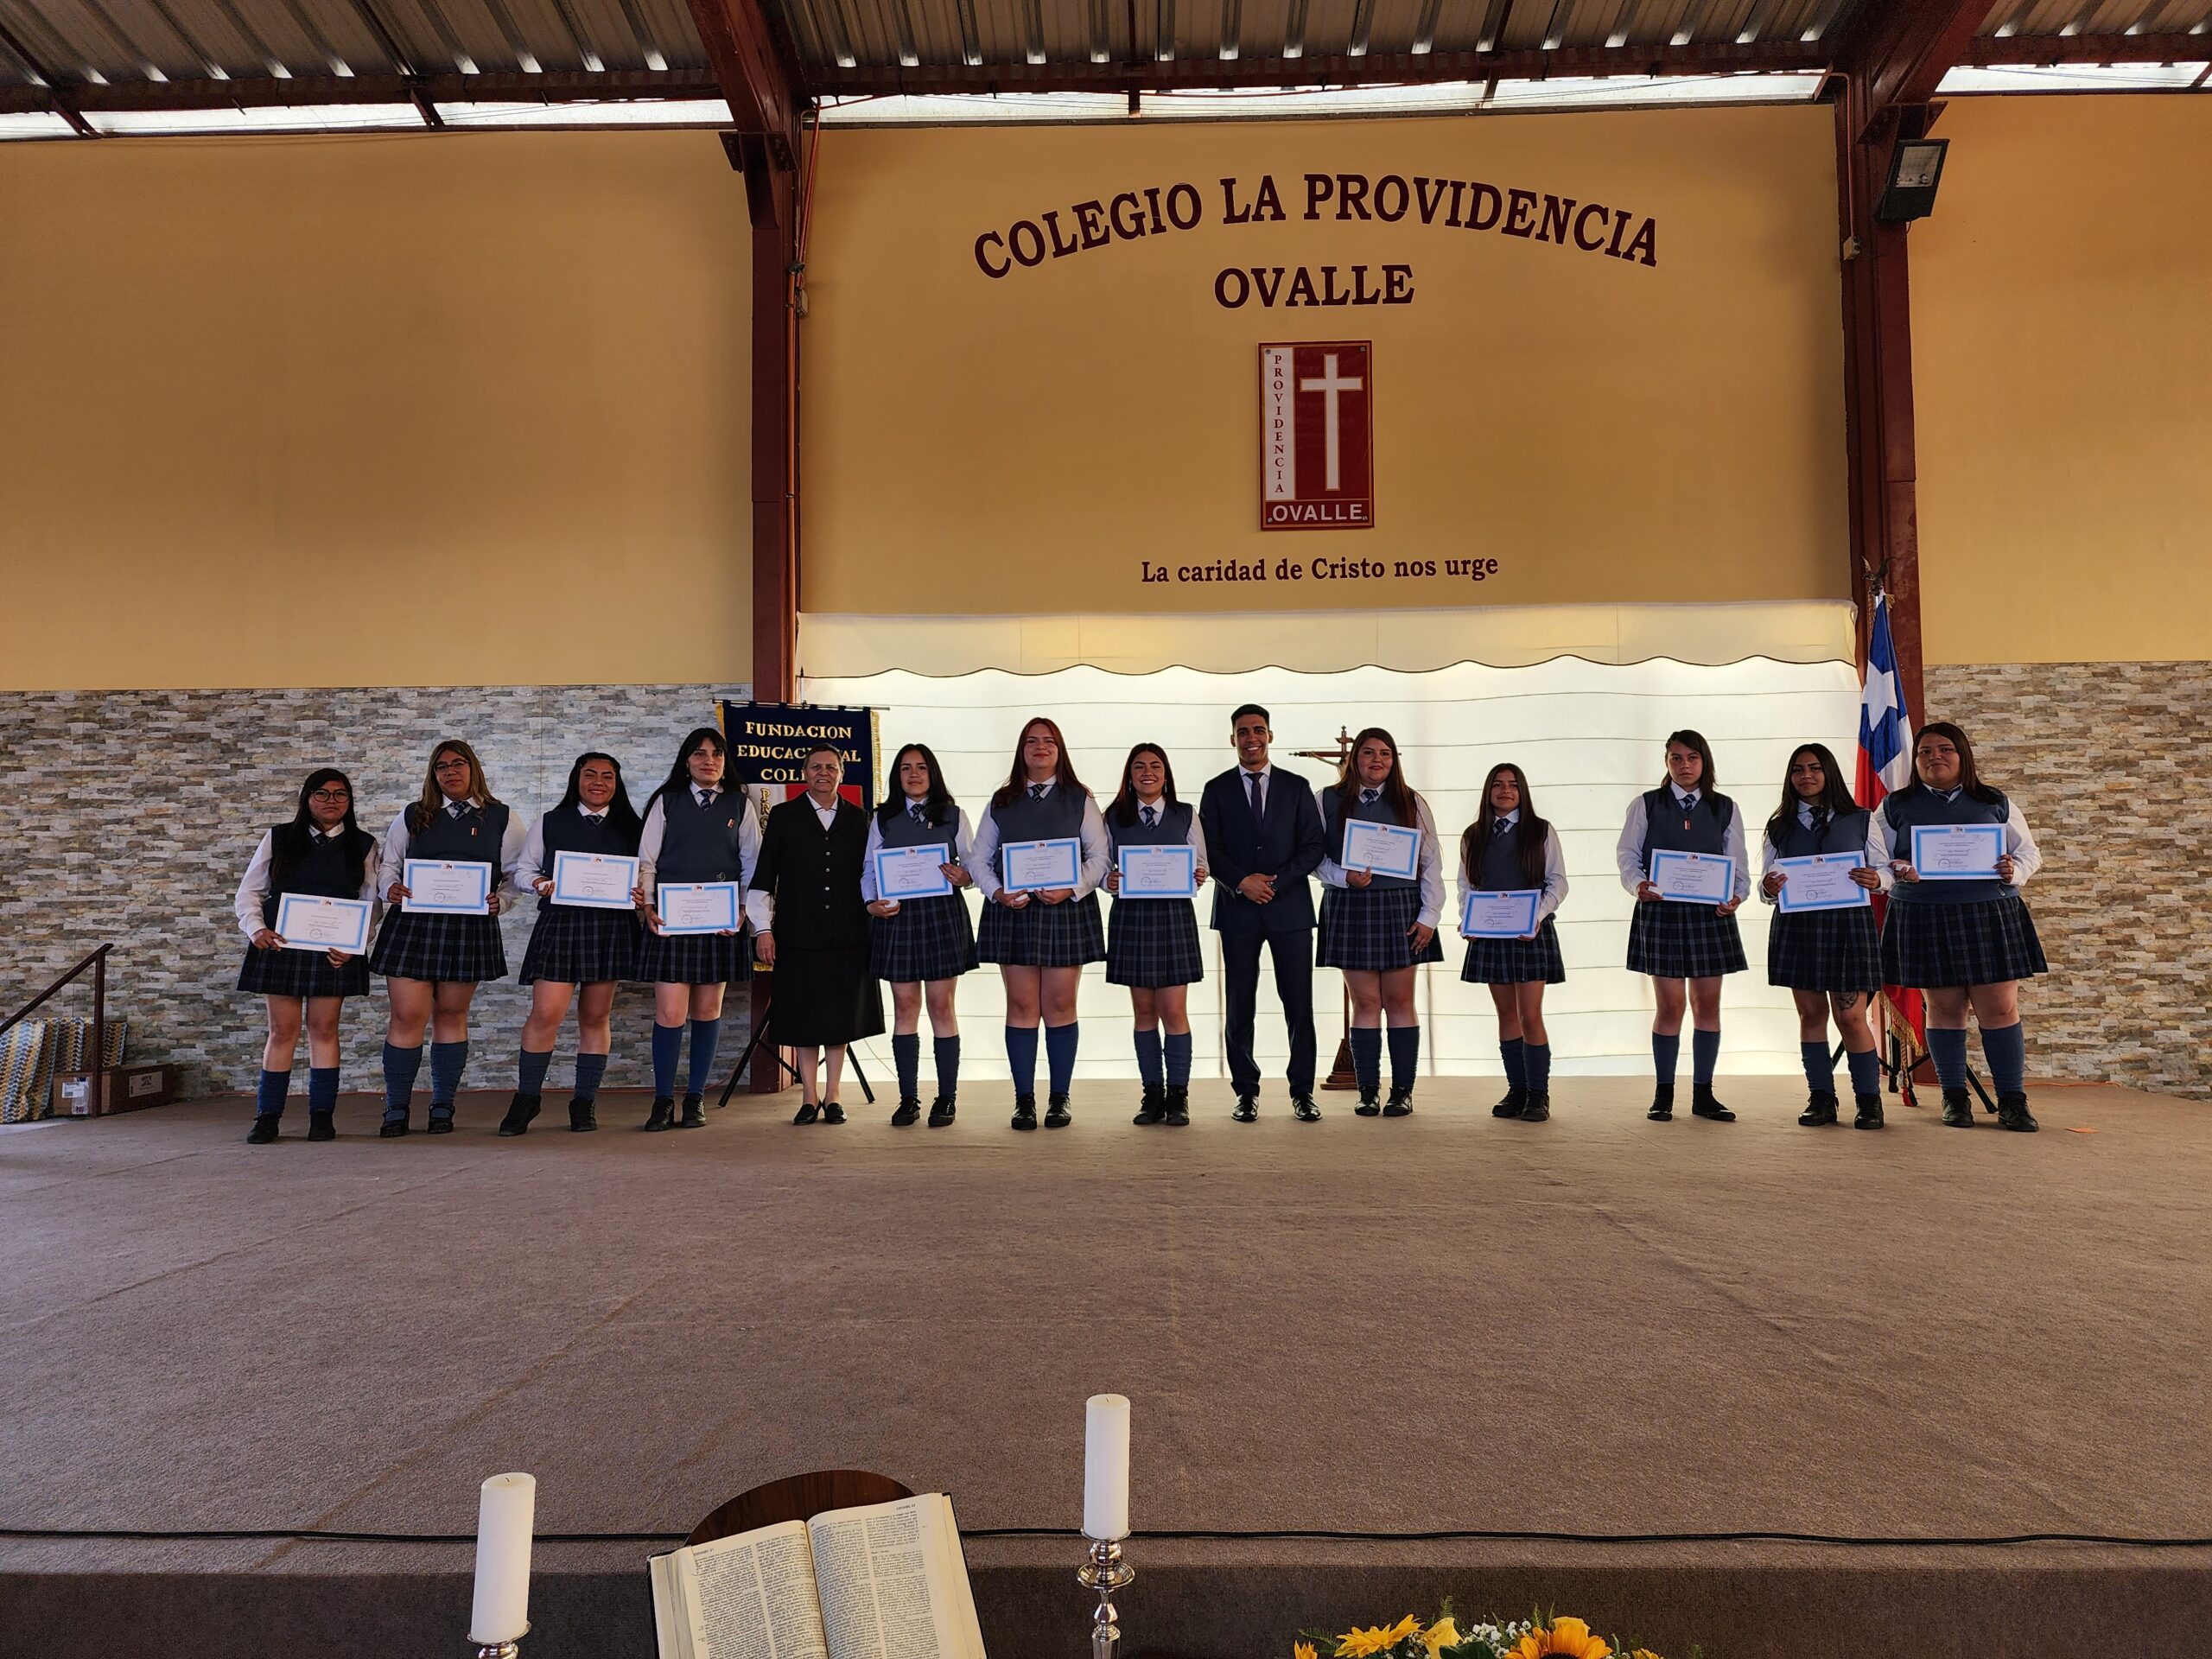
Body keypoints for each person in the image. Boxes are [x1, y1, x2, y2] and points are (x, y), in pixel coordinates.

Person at [1871, 721, 2047, 1132]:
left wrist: (2015, 869)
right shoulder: (1893, 806)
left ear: (1962, 755)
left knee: (2000, 1007)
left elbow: (2030, 854)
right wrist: (1898, 870)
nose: (1935, 757)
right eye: (1925, 751)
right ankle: (1954, 1096)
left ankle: (2013, 1100)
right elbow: (1877, 863)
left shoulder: (1995, 801)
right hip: (1925, 913)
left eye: (1944, 749)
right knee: (1945, 1009)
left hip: (1989, 912)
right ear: (1916, 760)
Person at [369, 740, 524, 1136]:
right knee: (407, 1016)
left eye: (458, 764)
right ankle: (396, 1108)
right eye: (441, 766)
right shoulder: (413, 815)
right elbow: (389, 864)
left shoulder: (503, 818)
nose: (450, 772)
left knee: (451, 1015)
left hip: (469, 928)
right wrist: (389, 888)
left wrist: (503, 901)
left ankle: (442, 1106)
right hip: (412, 926)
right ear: (433, 774)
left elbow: (516, 874)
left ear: (473, 768)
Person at [969, 715, 1109, 1130]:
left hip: (1066, 909)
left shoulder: (1080, 798)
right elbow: (978, 859)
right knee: (1021, 1006)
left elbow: (1100, 857)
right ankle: (1024, 1099)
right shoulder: (1001, 800)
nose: (1040, 747)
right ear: (1022, 750)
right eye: (1032, 741)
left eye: (1049, 741)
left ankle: (1060, 1098)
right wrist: (997, 892)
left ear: (1059, 749)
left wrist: (1072, 888)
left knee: (1061, 1005)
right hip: (1013, 909)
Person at [232, 768, 379, 1143]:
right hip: (281, 945)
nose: (332, 801)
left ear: (350, 801)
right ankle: (267, 1117)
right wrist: (256, 929)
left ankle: (322, 1117)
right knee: (282, 1031)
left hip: (334, 951)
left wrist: (355, 945)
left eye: (340, 794)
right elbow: (250, 891)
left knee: (324, 1029)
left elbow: (371, 902)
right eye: (322, 793)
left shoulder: (364, 844)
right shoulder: (279, 837)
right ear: (307, 799)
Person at [502, 752, 644, 1136]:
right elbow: (523, 871)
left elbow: (645, 874)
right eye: (590, 774)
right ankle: (527, 1098)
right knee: (545, 1013)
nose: (598, 782)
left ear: (617, 783)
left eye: (607, 776)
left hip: (610, 927)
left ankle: (584, 1101)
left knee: (596, 1016)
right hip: (561, 924)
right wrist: (538, 883)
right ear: (576, 779)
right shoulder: (550, 821)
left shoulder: (634, 827)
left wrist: (640, 893)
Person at [1198, 703, 1325, 1122]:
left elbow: (1313, 845)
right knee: (1240, 1004)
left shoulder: (1296, 786)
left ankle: (1303, 1091)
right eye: (1242, 732)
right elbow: (1208, 849)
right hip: (1237, 909)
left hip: (1289, 909)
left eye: (1258, 730)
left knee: (1299, 1003)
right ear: (1232, 739)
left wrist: (1275, 883)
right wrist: (1241, 882)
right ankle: (1246, 1091)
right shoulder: (1216, 789)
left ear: (1270, 735)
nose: (1251, 738)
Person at [1615, 729, 1750, 1122]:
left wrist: (1737, 896)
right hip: (1662, 912)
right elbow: (1627, 853)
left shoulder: (1725, 807)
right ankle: (1664, 1094)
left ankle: (1704, 1094)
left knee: (1707, 1005)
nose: (1684, 765)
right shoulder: (1646, 804)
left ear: (1704, 761)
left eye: (1692, 758)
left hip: (1711, 915)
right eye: (1676, 758)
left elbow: (1737, 861)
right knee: (1670, 1006)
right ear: (1666, 762)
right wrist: (1638, 884)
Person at [747, 745, 886, 1124]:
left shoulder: (860, 818)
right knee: (805, 1017)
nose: (823, 772)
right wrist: (763, 929)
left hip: (848, 933)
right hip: (797, 933)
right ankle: (809, 1097)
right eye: (815, 767)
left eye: (831, 767)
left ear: (842, 774)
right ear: (804, 773)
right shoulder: (783, 816)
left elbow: (872, 872)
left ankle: (834, 1095)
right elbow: (764, 877)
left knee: (839, 1017)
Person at [635, 727, 760, 1131]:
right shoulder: (666, 801)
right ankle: (662, 1101)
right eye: (700, 753)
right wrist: (648, 905)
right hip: (670, 921)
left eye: (717, 754)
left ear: (725, 761)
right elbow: (647, 860)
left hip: (720, 922)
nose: (709, 761)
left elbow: (751, 863)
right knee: (670, 1012)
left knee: (707, 1011)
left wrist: (743, 910)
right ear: (686, 760)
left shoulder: (740, 803)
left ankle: (695, 1097)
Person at [1315, 728, 1444, 1116]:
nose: (1377, 760)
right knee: (1366, 1002)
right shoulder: (1326, 799)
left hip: (1401, 906)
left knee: (1401, 1001)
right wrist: (1344, 876)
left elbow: (1431, 861)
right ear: (1355, 757)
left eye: (1385, 754)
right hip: (1349, 904)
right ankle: (1368, 1090)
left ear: (1394, 760)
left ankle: (1402, 1091)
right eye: (1369, 752)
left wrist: (1429, 916)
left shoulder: (1412, 801)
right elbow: (1312, 857)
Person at [1758, 742, 1887, 1130]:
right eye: (1798, 770)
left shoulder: (1862, 819)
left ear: (1829, 772)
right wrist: (1769, 888)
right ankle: (1821, 1098)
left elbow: (1885, 871)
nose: (1806, 776)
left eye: (1815, 768)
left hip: (1849, 925)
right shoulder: (1778, 826)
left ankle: (1869, 1102)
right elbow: (1766, 887)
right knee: (1811, 1015)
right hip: (1798, 927)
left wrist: (1878, 879)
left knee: (1851, 1016)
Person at [861, 743, 976, 1128]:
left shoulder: (954, 815)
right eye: (906, 767)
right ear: (897, 775)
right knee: (905, 1007)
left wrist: (965, 877)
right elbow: (869, 869)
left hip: (942, 915)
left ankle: (947, 1098)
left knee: (942, 1007)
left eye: (922, 767)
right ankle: (908, 1098)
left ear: (933, 773)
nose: (914, 774)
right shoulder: (883, 818)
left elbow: (974, 865)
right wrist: (871, 903)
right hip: (897, 917)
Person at [1457, 762, 1569, 1124]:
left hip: (1531, 932)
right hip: (1491, 934)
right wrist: (1467, 919)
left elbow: (1558, 883)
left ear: (1522, 791)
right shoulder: (1473, 835)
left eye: (1513, 785)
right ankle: (1517, 1090)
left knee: (1529, 1015)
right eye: (1498, 784)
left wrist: (1537, 916)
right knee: (1506, 1015)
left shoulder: (1541, 830)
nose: (1505, 790)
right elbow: (1466, 886)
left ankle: (1538, 1094)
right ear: (1488, 791)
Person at [1103, 743, 1208, 1128]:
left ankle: (1178, 1095)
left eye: (1156, 766)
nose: (1148, 772)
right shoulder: (1112, 816)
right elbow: (1100, 864)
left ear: (1166, 775)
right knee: (1144, 1011)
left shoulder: (1186, 814)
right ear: (1129, 776)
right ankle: (1152, 1094)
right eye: (1139, 766)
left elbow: (1201, 863)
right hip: (1132, 917)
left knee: (1174, 1010)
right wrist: (1108, 881)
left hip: (1173, 917)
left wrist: (1198, 875)